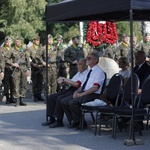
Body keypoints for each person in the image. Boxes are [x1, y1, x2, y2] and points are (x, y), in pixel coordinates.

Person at [61, 52, 105, 129]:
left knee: (73, 102)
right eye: (87, 57)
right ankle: (74, 120)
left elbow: (95, 88)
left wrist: (82, 94)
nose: (87, 59)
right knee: (64, 101)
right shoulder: (89, 71)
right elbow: (83, 85)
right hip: (85, 92)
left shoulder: (99, 72)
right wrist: (77, 91)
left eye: (89, 58)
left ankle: (81, 123)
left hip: (93, 94)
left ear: (95, 60)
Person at [42, 58, 88, 127]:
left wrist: (65, 79)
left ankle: (59, 120)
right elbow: (71, 82)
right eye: (78, 64)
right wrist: (64, 82)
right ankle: (51, 118)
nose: (78, 66)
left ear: (85, 66)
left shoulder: (86, 74)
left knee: (60, 98)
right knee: (51, 97)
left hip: (77, 90)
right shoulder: (78, 73)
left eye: (80, 64)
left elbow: (77, 84)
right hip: (70, 89)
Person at [5, 38, 31, 106]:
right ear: (15, 42)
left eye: (19, 41)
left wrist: (28, 69)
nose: (18, 43)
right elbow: (6, 59)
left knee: (24, 84)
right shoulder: (12, 50)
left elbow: (27, 59)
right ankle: (17, 100)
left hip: (24, 68)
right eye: (17, 42)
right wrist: (13, 64)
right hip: (16, 69)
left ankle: (22, 99)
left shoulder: (23, 50)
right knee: (15, 85)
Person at [27, 36, 45, 101]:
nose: (38, 41)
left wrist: (43, 63)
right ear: (33, 41)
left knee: (40, 82)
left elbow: (44, 56)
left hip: (40, 67)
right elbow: (28, 58)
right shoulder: (30, 48)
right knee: (35, 82)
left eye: (38, 40)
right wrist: (32, 64)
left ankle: (39, 95)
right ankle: (35, 96)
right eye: (36, 40)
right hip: (34, 67)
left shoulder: (41, 48)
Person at [1, 36, 15, 104]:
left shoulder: (13, 49)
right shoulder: (2, 49)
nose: (8, 43)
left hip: (12, 70)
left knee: (12, 84)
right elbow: (3, 60)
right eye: (7, 42)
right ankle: (7, 98)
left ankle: (12, 97)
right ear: (5, 42)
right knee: (6, 84)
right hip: (6, 68)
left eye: (9, 42)